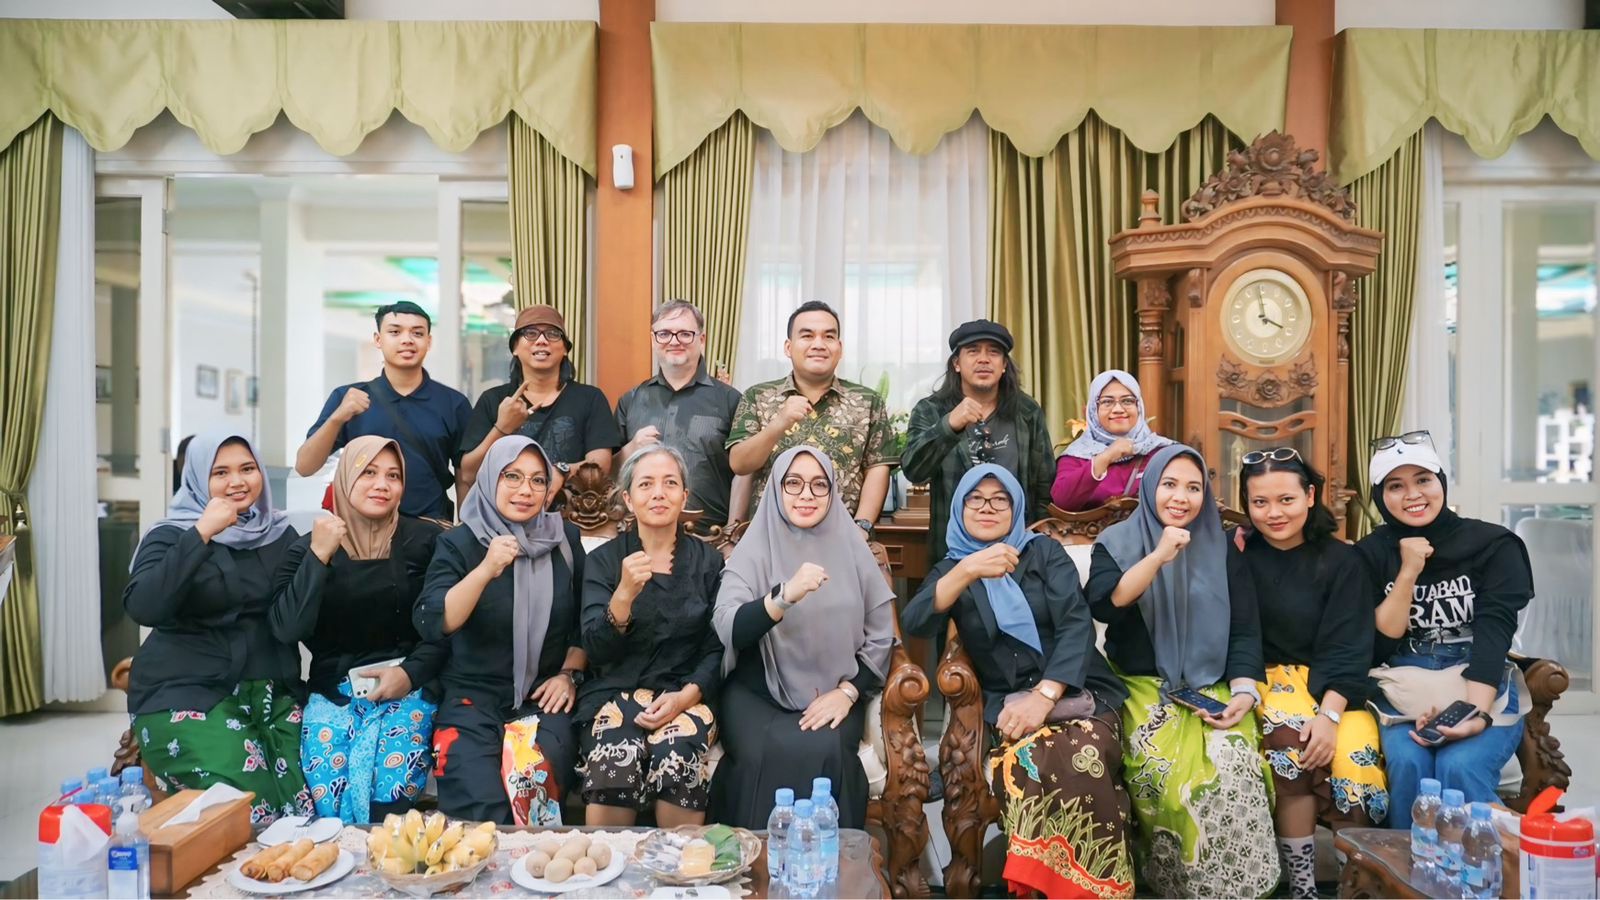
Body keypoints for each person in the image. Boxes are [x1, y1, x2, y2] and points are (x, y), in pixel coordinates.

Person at [903, 465, 1134, 899]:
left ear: (1016, 507)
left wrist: (1044, 696)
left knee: (1081, 754)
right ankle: (1045, 887)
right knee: (1030, 759)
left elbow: (1075, 625)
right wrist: (968, 569)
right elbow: (916, 621)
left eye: (999, 499)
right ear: (959, 508)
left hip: (1078, 692)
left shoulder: (1043, 552)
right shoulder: (954, 567)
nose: (987, 508)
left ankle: (1088, 888)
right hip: (1007, 703)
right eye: (975, 499)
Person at [1085, 444, 1276, 898]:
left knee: (1235, 767)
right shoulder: (1116, 543)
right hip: (1140, 686)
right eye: (1169, 484)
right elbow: (1105, 605)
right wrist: (1158, 557)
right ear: (1150, 486)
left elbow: (1245, 629)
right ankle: (1178, 886)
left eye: (1194, 487)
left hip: (1213, 684)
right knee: (1167, 775)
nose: (1181, 497)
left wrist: (1244, 693)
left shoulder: (1223, 549)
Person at [122, 432, 309, 825]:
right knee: (247, 807)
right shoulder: (171, 534)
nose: (237, 482)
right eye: (220, 472)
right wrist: (201, 533)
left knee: (307, 803)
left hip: (270, 692)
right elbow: (144, 606)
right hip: (186, 693)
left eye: (247, 468)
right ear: (196, 478)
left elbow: (296, 617)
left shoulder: (279, 533)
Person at [1355, 432, 1533, 829]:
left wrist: (1477, 713)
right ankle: (1408, 867)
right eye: (1395, 486)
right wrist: (1408, 571)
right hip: (1404, 681)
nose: (1412, 495)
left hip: (1479, 674)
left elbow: (1494, 631)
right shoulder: (1369, 554)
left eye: (1423, 479)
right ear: (1380, 496)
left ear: (1441, 481)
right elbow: (1380, 642)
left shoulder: (1493, 544)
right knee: (1408, 762)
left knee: (1460, 765)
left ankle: (1484, 865)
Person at [710, 446, 895, 829]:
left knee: (826, 749)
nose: (806, 495)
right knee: (760, 755)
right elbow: (729, 627)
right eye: (793, 483)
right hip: (756, 692)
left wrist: (848, 693)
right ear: (776, 489)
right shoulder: (754, 548)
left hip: (835, 690)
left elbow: (881, 637)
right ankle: (754, 861)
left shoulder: (854, 550)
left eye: (818, 485)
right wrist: (784, 596)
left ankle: (828, 862)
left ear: (832, 491)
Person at [1235, 449, 1388, 898]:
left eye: (1286, 499)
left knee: (1356, 756)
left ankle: (1354, 886)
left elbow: (1350, 644)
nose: (1273, 512)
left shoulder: (1344, 562)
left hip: (1337, 685)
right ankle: (1302, 887)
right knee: (1291, 744)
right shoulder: (1237, 557)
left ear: (1310, 496)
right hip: (1269, 681)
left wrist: (1330, 716)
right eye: (1259, 502)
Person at [270, 436, 448, 824]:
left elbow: (445, 628)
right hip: (333, 692)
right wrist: (319, 557)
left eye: (393, 476)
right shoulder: (306, 548)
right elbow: (286, 628)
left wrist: (409, 674)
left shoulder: (426, 542)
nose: (382, 485)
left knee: (390, 796)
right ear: (345, 479)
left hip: (409, 687)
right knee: (327, 800)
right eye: (368, 472)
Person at [416, 436, 587, 825]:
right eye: (512, 476)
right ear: (491, 478)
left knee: (536, 797)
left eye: (538, 480)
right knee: (479, 803)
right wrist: (485, 570)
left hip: (542, 700)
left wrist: (568, 674)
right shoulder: (458, 544)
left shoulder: (564, 540)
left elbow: (585, 621)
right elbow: (434, 621)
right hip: (471, 699)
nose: (526, 490)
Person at [577, 445, 724, 827]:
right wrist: (623, 594)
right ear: (628, 499)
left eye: (669, 483)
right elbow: (596, 649)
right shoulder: (603, 561)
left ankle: (679, 863)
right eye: (646, 484)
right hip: (615, 691)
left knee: (677, 753)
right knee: (615, 755)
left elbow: (717, 647)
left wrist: (685, 697)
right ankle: (610, 865)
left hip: (685, 693)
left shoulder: (709, 562)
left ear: (684, 496)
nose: (659, 493)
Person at [726, 301, 893, 534]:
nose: (818, 344)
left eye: (828, 336)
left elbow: (877, 467)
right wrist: (778, 424)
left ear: (839, 348)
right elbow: (740, 464)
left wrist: (861, 526)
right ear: (788, 347)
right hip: (770, 538)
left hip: (843, 538)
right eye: (807, 336)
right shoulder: (758, 396)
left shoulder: (868, 401)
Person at [296, 301, 472, 520]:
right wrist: (337, 418)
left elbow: (465, 476)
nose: (407, 340)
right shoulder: (347, 398)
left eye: (417, 333)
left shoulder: (453, 403)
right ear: (378, 339)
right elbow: (305, 467)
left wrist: (465, 529)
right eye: (395, 332)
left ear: (429, 341)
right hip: (360, 529)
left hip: (429, 527)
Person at [901, 319, 1055, 562]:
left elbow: (1044, 483)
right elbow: (914, 470)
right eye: (973, 351)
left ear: (1004, 365)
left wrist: (1038, 538)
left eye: (993, 352)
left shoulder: (1027, 411)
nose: (983, 359)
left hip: (1016, 550)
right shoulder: (931, 410)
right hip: (952, 552)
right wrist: (948, 426)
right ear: (956, 363)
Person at [613, 299, 750, 529]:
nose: (674, 341)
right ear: (653, 339)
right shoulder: (631, 400)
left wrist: (731, 533)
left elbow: (745, 472)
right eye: (664, 334)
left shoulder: (731, 400)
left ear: (702, 340)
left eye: (685, 334)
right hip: (640, 534)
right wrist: (630, 448)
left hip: (710, 536)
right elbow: (607, 472)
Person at [458, 303, 621, 494]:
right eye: (531, 333)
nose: (542, 340)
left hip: (571, 510)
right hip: (507, 509)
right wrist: (502, 428)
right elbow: (468, 475)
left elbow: (600, 466)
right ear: (515, 348)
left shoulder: (590, 398)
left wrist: (560, 471)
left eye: (552, 334)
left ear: (565, 349)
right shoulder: (493, 400)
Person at [1051, 370, 1173, 513]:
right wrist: (1106, 457)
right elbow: (1062, 502)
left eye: (1127, 401)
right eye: (1107, 402)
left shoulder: (1162, 453)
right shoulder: (1075, 457)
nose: (1118, 409)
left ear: (1139, 406)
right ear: (1093, 410)